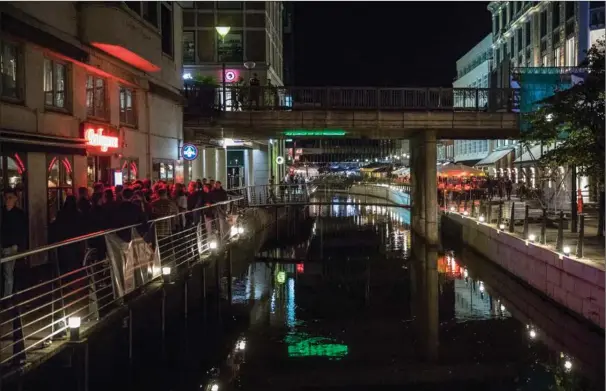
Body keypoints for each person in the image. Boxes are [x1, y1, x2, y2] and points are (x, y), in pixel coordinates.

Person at [0, 189, 27, 365]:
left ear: (15, 200)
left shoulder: (16, 214)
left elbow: (21, 230)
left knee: (8, 272)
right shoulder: (5, 213)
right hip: (4, 245)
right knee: (6, 272)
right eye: (5, 198)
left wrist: (19, 245)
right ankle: (7, 296)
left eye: (9, 198)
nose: (7, 201)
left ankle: (7, 297)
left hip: (10, 246)